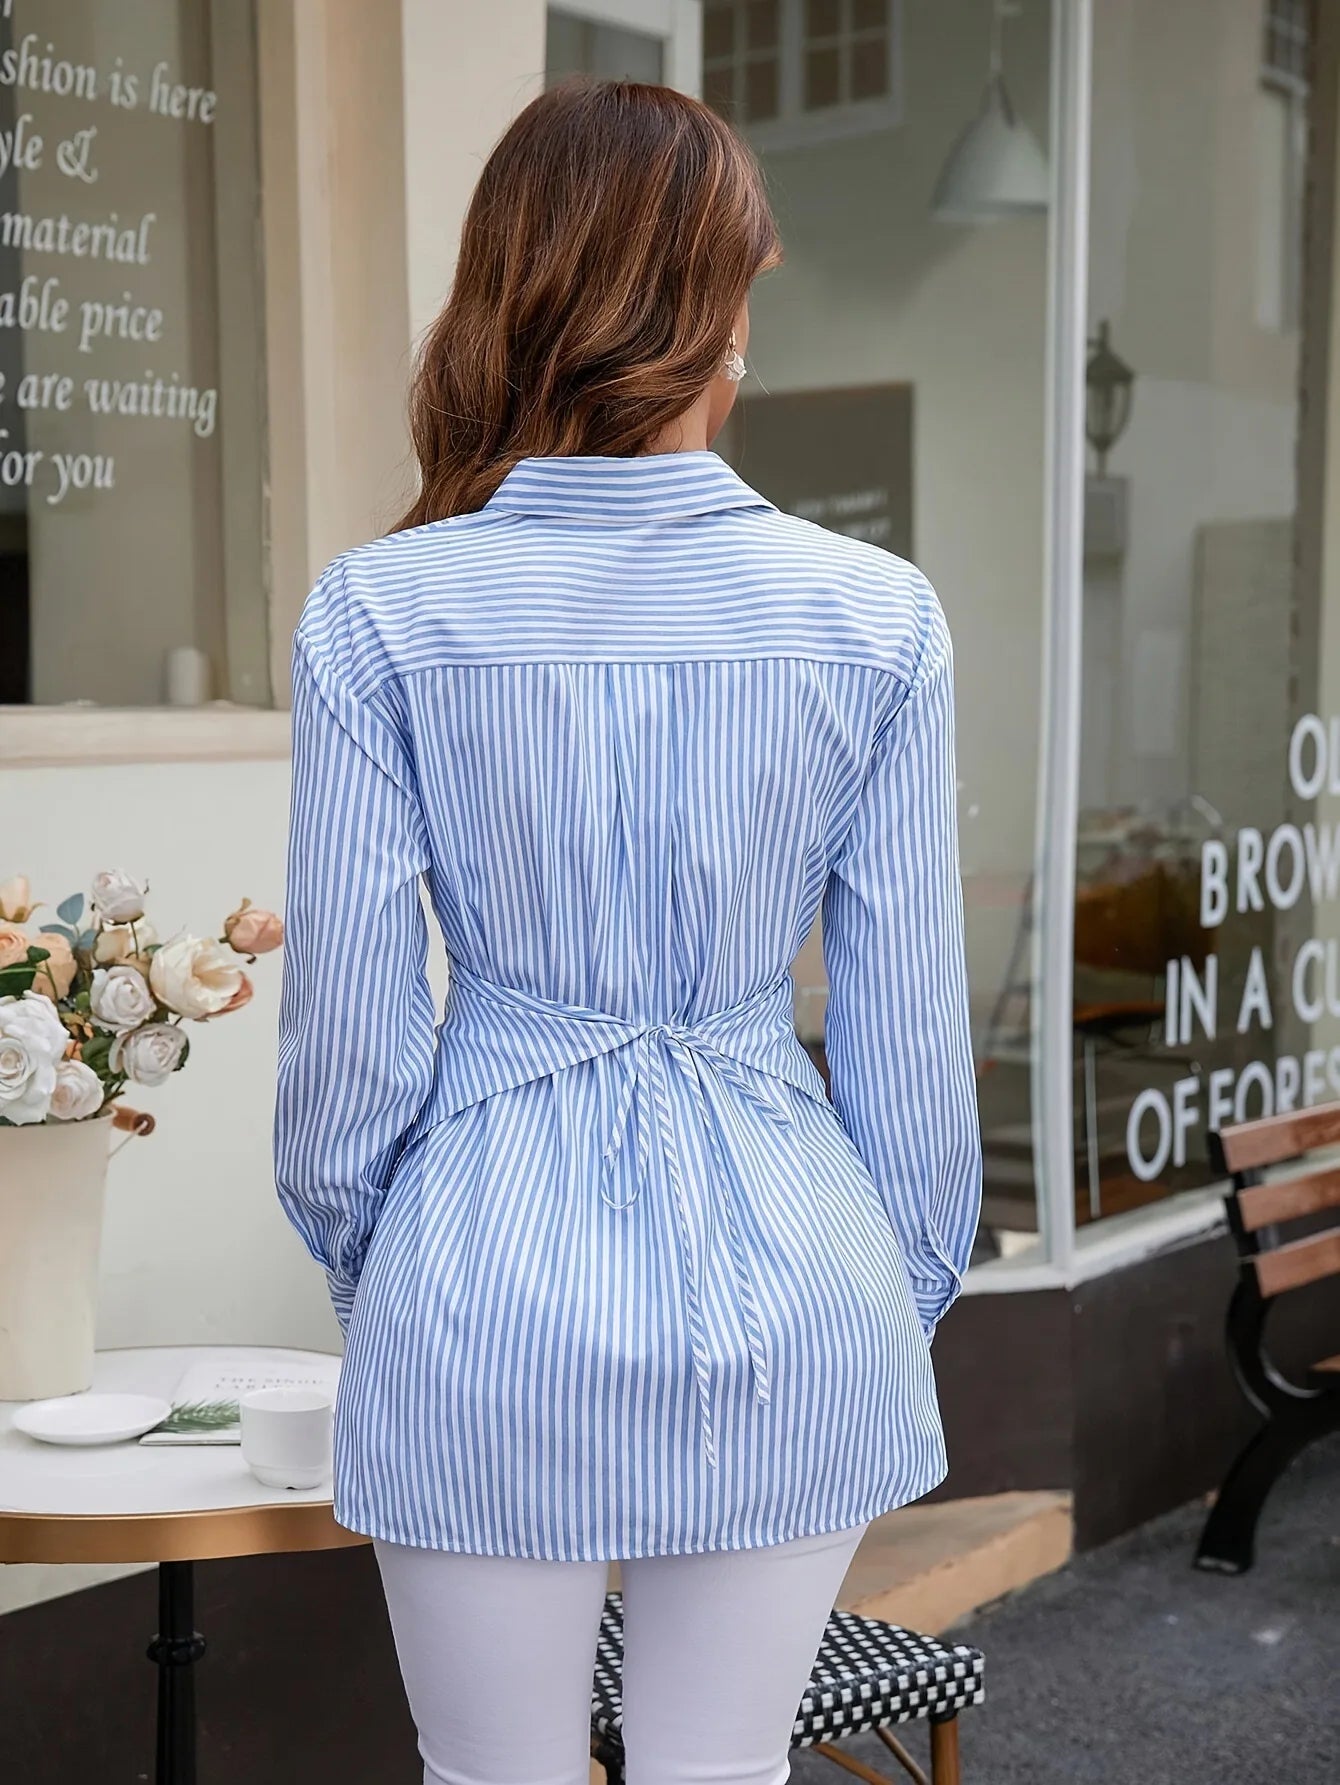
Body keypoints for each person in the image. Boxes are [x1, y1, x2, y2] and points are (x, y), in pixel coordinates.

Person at [273, 76, 982, 1785]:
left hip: (478, 1277)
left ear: (509, 290)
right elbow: (911, 1051)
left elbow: (349, 1064)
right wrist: (881, 1289)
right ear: (718, 309)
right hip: (794, 1273)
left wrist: (406, 1266)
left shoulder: (383, 612)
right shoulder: (876, 618)